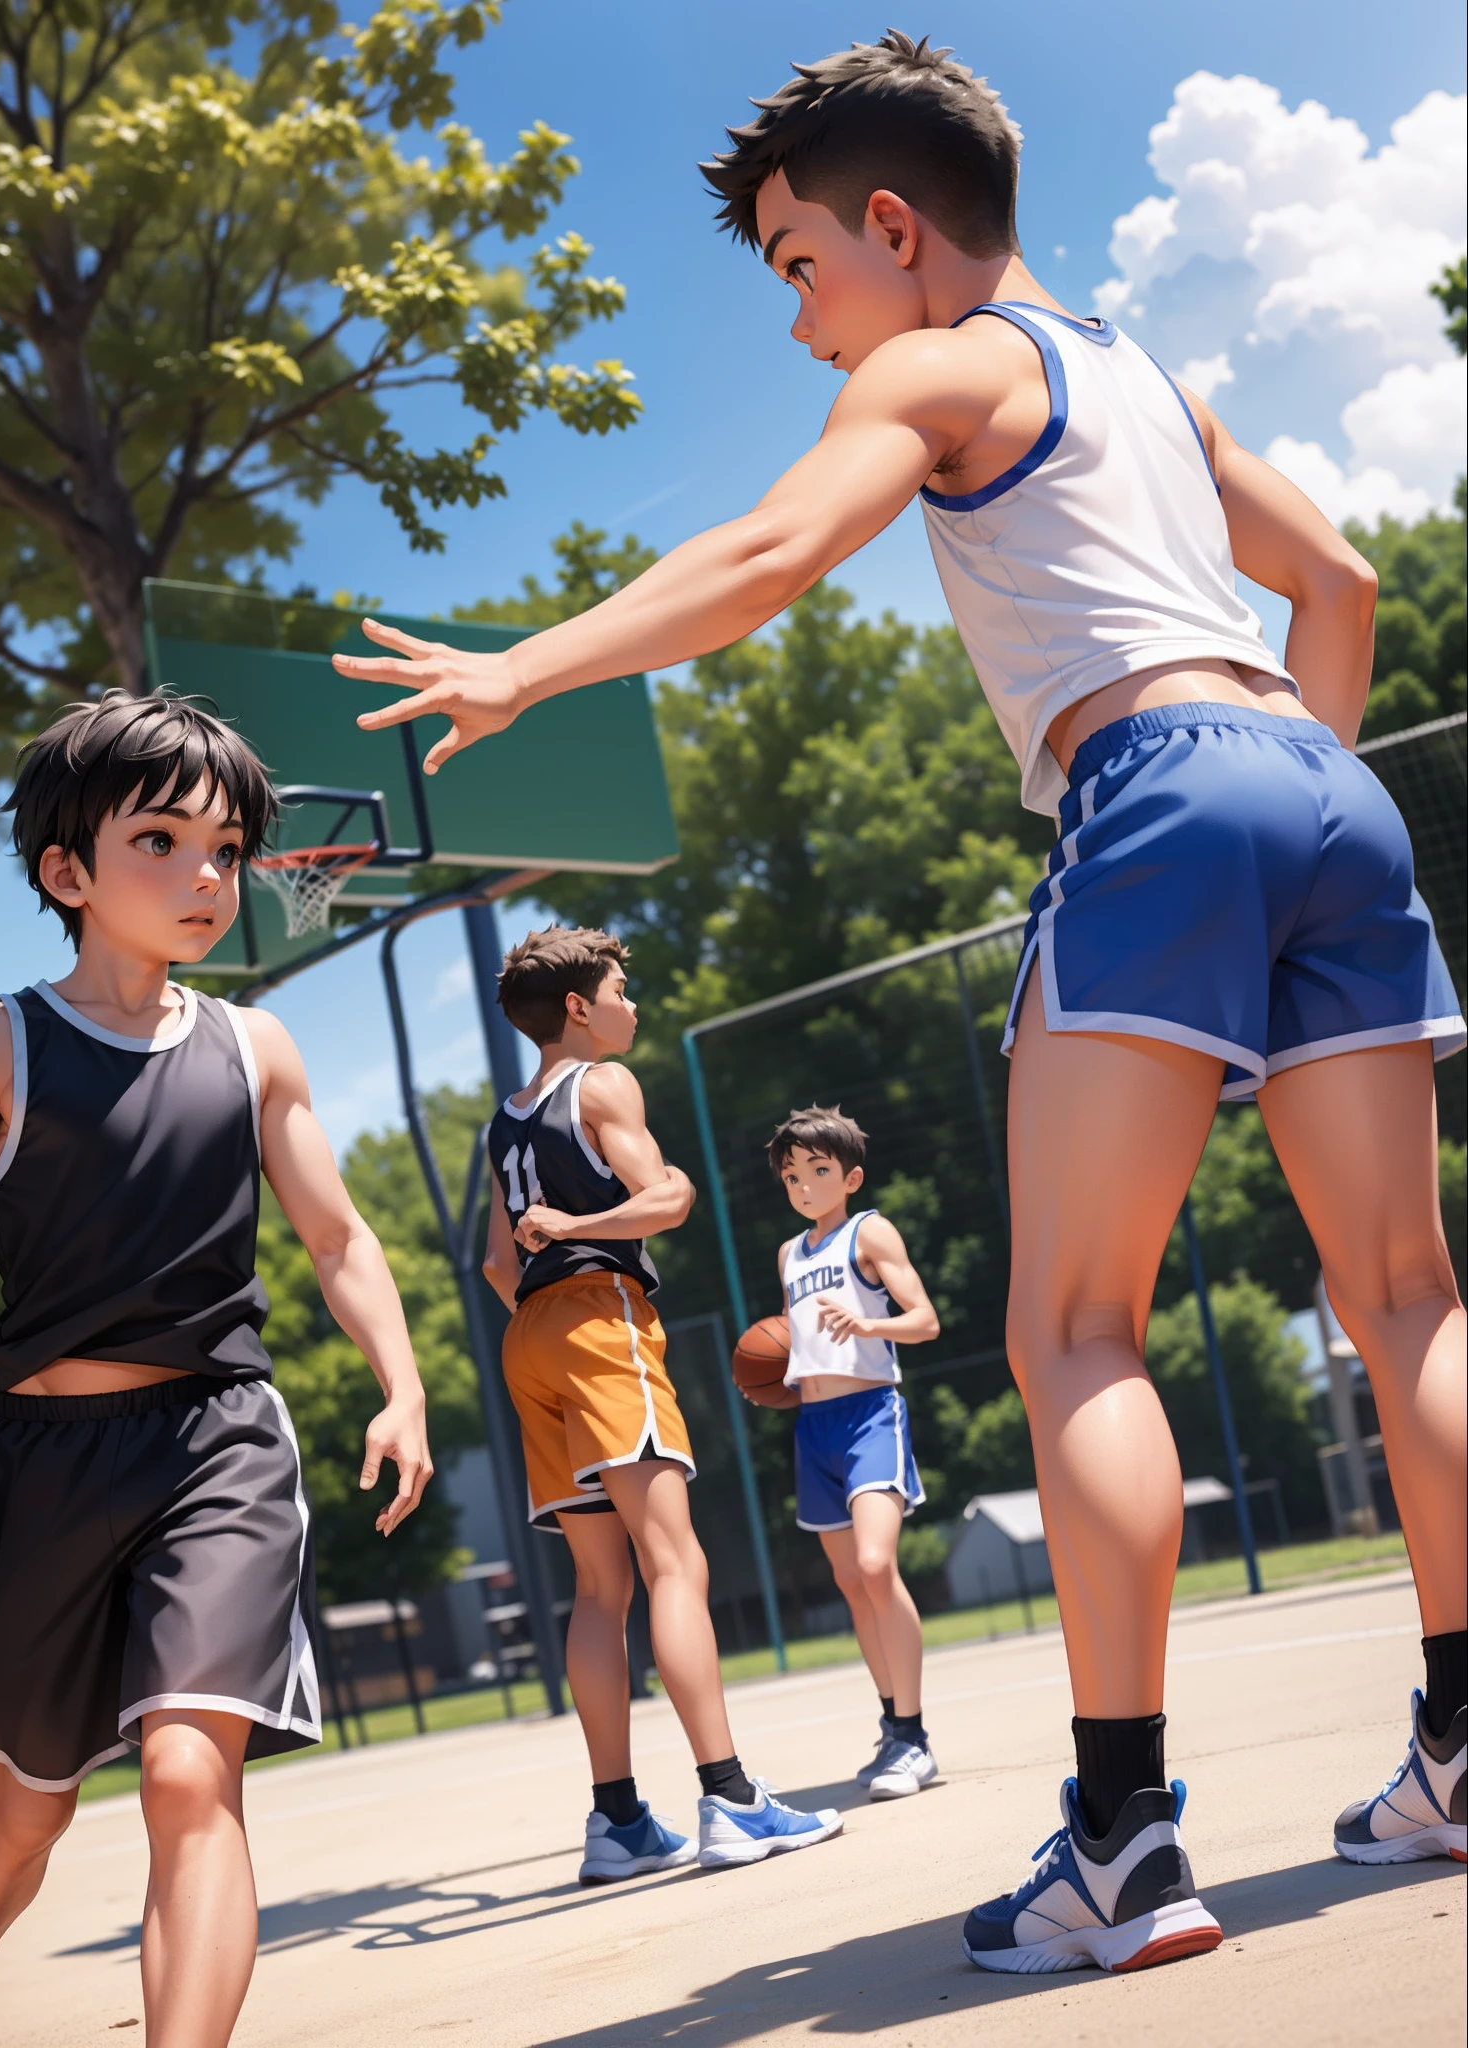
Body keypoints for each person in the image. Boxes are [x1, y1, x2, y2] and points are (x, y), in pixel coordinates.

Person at [334, 29, 1467, 1971]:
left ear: (892, 226)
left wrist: (527, 667)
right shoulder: (1151, 384)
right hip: (1319, 788)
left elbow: (775, 551)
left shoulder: (951, 363)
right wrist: (1285, 827)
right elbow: (1344, 583)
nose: (800, 324)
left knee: (1081, 1330)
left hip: (1161, 793)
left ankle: (1121, 1836)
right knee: (1411, 1293)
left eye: (797, 268)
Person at [0, 693, 432, 2048]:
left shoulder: (254, 1048)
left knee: (192, 1774)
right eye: (162, 841)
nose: (205, 876)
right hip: (46, 1466)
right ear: (67, 872)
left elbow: (337, 1232)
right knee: (28, 1808)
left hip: (219, 1446)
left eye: (227, 851)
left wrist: (401, 1381)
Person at [482, 925, 842, 1879]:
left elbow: (493, 1259)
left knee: (601, 1588)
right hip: (602, 1316)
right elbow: (665, 1200)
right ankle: (729, 1799)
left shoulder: (503, 1120)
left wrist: (550, 1274)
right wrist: (588, 1230)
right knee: (675, 1563)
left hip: (529, 1338)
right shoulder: (601, 1083)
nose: (630, 1005)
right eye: (619, 988)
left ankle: (618, 1822)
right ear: (576, 1008)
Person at [766, 1105, 942, 1799]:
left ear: (851, 1177)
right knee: (850, 1584)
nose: (804, 1185)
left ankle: (918, 1737)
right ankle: (894, 1730)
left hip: (871, 1413)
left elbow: (924, 1319)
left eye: (817, 1171)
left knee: (876, 1564)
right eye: (791, 1176)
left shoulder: (870, 1232)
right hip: (814, 1428)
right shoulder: (789, 1254)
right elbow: (795, 1340)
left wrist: (868, 1322)